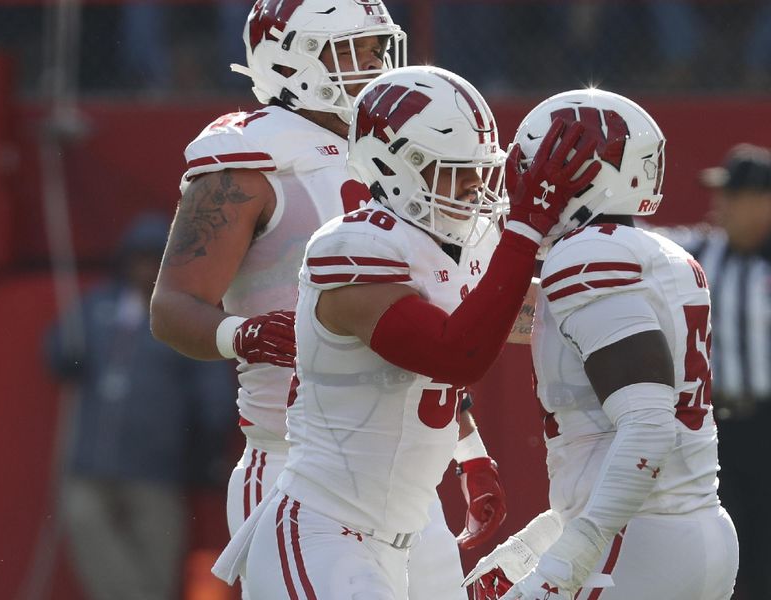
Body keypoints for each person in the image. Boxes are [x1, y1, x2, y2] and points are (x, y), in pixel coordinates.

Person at [149, 2, 505, 598]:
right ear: (290, 57)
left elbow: (426, 321)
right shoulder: (251, 156)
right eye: (354, 48)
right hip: (299, 469)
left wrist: (468, 446)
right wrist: (242, 334)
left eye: (377, 46)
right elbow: (171, 305)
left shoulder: (401, 153)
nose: (374, 63)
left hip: (405, 474)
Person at [208, 65, 600, 599]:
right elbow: (454, 353)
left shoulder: (454, 240)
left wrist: (625, 305)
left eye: (479, 170)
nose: (473, 188)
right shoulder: (350, 247)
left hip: (406, 529)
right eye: (454, 171)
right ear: (398, 165)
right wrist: (525, 230)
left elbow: (524, 315)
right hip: (326, 529)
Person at [464, 88, 739, 600]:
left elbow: (649, 427)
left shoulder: (586, 255)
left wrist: (566, 562)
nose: (525, 184)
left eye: (540, 168)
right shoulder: (661, 255)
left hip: (637, 541)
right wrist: (535, 544)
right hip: (689, 526)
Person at [45, 213, 236, 600]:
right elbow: (57, 354)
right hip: (91, 460)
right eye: (139, 258)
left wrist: (209, 442)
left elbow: (213, 388)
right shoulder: (98, 306)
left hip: (157, 466)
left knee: (158, 556)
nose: (145, 268)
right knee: (82, 520)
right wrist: (67, 351)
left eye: (155, 259)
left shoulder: (187, 315)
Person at [666, 143, 771, 598]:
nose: (720, 205)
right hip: (717, 427)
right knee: (724, 548)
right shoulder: (701, 252)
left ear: (763, 201)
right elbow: (643, 244)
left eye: (732, 195)